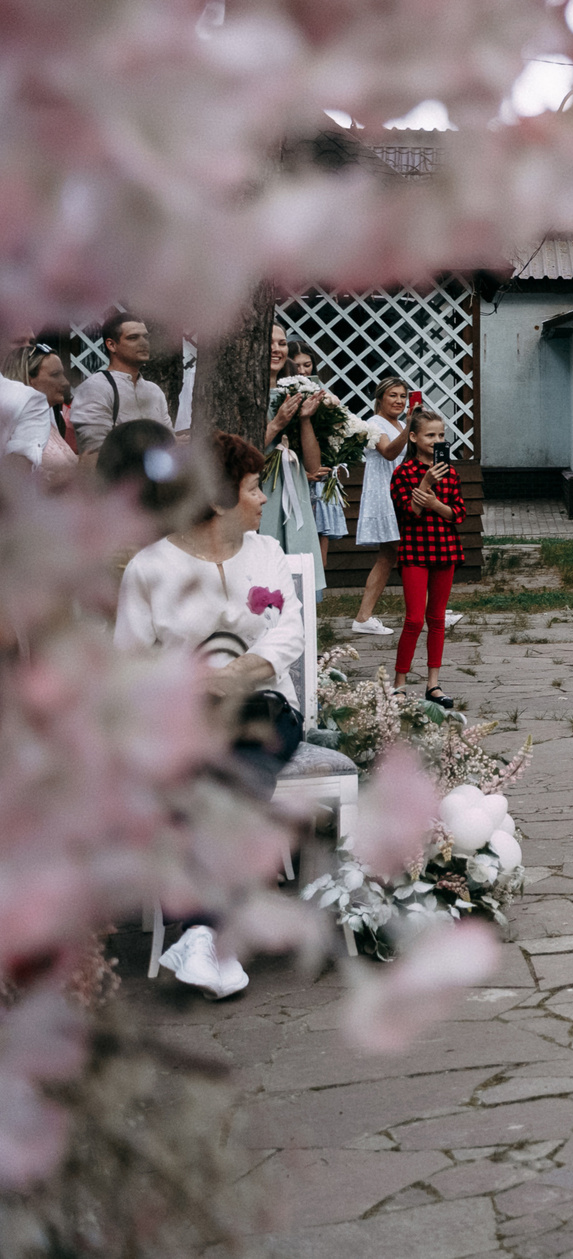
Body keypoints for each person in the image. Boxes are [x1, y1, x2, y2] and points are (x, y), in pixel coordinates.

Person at [116, 430, 305, 999]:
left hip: (265, 708)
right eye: (254, 488)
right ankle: (211, 936)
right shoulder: (149, 568)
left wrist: (234, 675)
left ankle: (201, 930)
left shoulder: (266, 554)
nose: (264, 499)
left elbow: (289, 631)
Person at [390, 407, 465, 700]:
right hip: (414, 551)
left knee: (436, 618)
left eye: (441, 435)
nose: (437, 440)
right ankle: (398, 683)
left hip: (445, 550)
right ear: (413, 437)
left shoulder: (451, 472)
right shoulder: (403, 472)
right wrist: (425, 485)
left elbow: (457, 514)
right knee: (413, 619)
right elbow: (408, 514)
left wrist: (435, 503)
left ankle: (433, 683)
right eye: (430, 434)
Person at [258, 324, 326, 585]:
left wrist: (305, 419)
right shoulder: (245, 396)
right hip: (262, 486)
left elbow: (313, 464)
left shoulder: (296, 392)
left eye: (282, 343)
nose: (276, 349)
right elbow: (242, 453)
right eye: (270, 342)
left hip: (294, 486)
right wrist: (276, 424)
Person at [347, 378, 412, 636]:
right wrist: (410, 429)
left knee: (388, 556)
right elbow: (388, 452)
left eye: (403, 396)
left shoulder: (401, 424)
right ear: (380, 398)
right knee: (407, 552)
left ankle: (363, 618)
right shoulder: (374, 423)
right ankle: (431, 613)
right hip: (384, 492)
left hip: (401, 489)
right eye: (393, 395)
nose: (398, 401)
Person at [67, 310, 171, 466]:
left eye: (146, 337)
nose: (143, 343)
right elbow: (96, 453)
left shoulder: (154, 390)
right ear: (111, 345)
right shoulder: (94, 388)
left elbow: (170, 441)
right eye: (133, 338)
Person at [283, 338, 351, 543]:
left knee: (321, 552)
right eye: (297, 365)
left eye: (307, 365)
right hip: (292, 476)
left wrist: (334, 461)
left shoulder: (323, 395)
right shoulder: (282, 397)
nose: (303, 371)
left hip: (321, 476)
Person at [3, 336, 76, 480]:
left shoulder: (51, 420)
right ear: (29, 379)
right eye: (55, 375)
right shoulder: (12, 425)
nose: (65, 382)